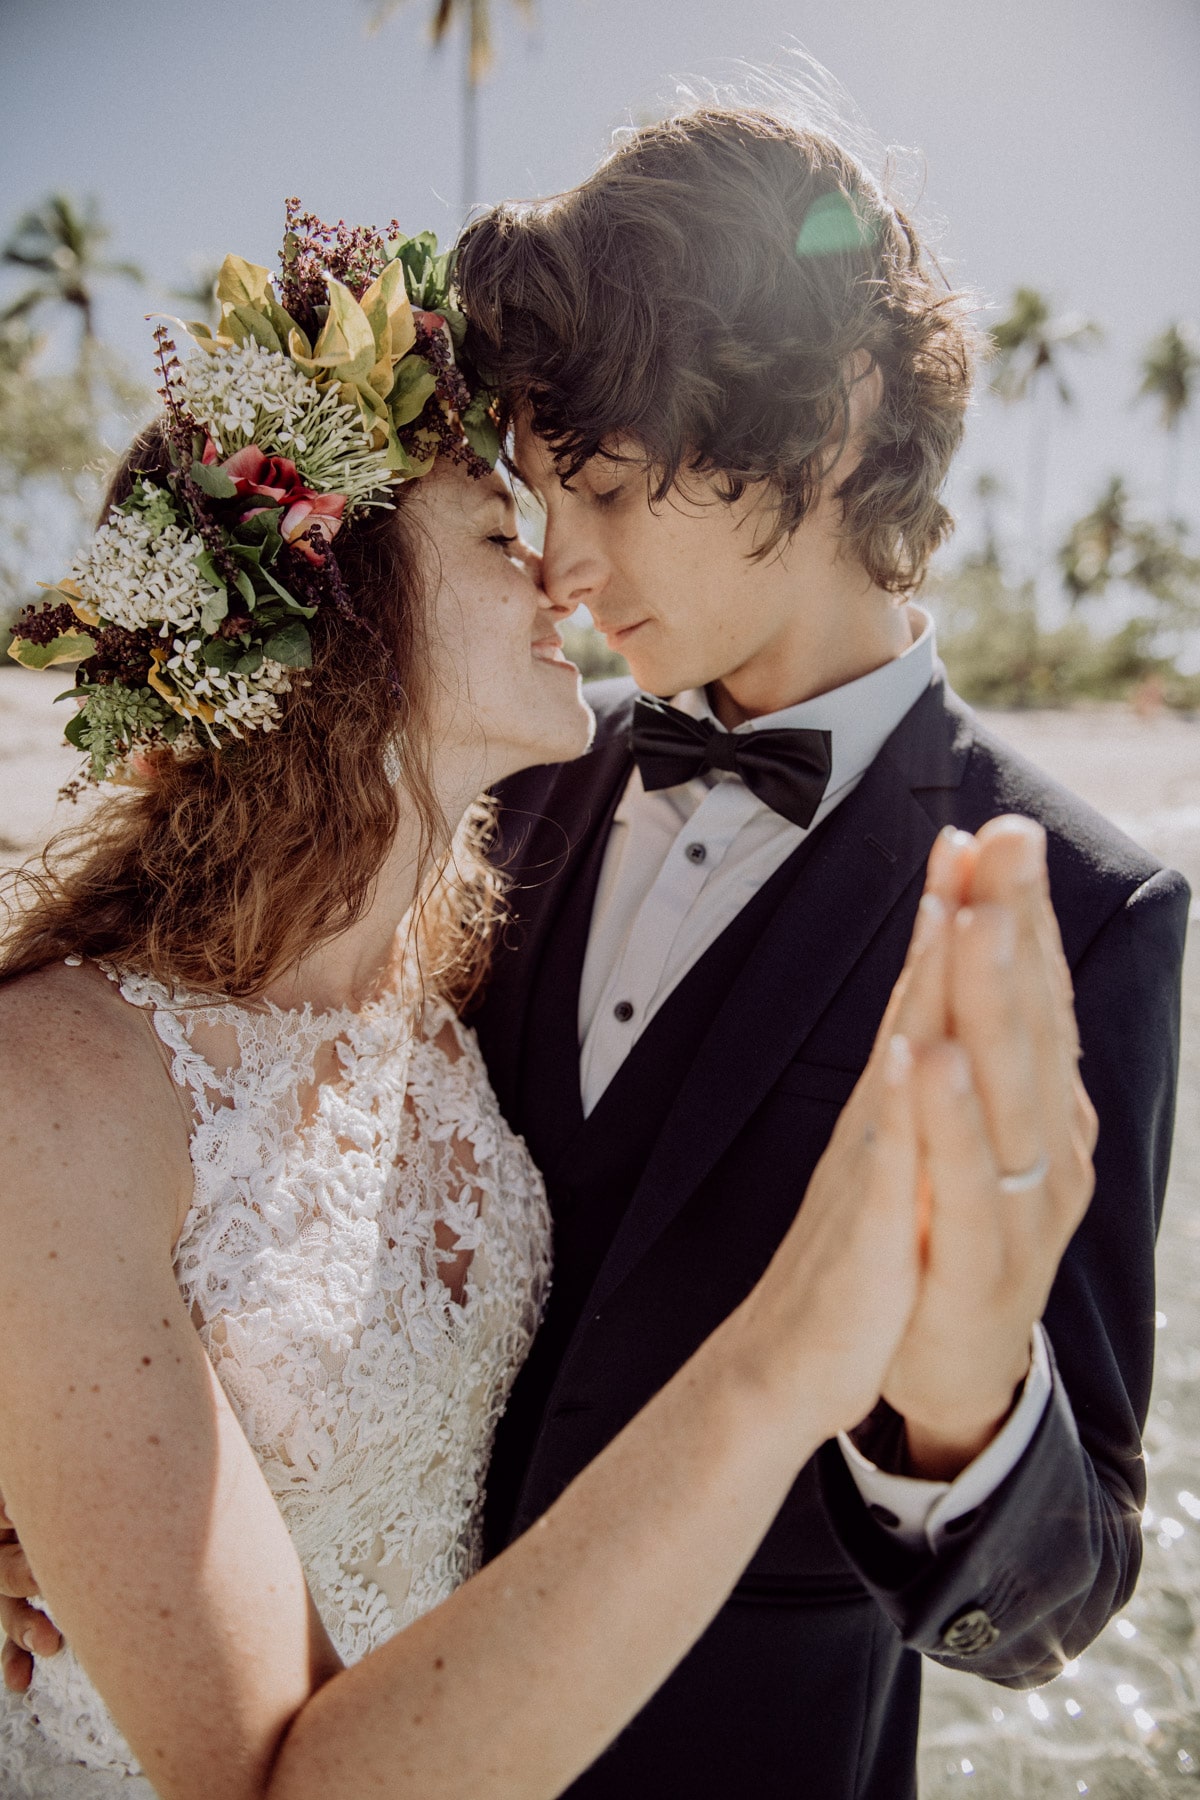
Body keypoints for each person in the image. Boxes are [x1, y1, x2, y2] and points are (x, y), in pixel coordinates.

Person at [0, 211, 1089, 1798]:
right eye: (508, 536)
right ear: (342, 626)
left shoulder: (430, 999)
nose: (567, 580)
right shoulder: (62, 1079)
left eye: (580, 505)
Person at [444, 103, 1192, 1796]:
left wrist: (967, 1399)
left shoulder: (1086, 907)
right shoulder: (505, 777)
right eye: (543, 496)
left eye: (614, 488)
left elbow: (1061, 1599)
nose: (559, 566)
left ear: (836, 418)